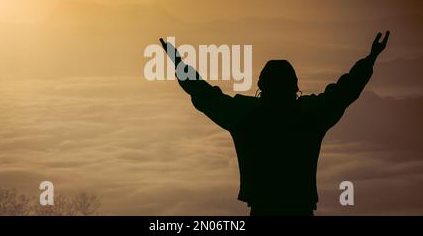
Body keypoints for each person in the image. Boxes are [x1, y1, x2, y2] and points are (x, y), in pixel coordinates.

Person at [159, 31, 389, 216]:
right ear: (294, 86)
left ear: (262, 85)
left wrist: (178, 62)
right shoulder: (311, 116)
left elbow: (204, 94)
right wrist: (370, 59)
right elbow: (345, 92)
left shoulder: (244, 116)